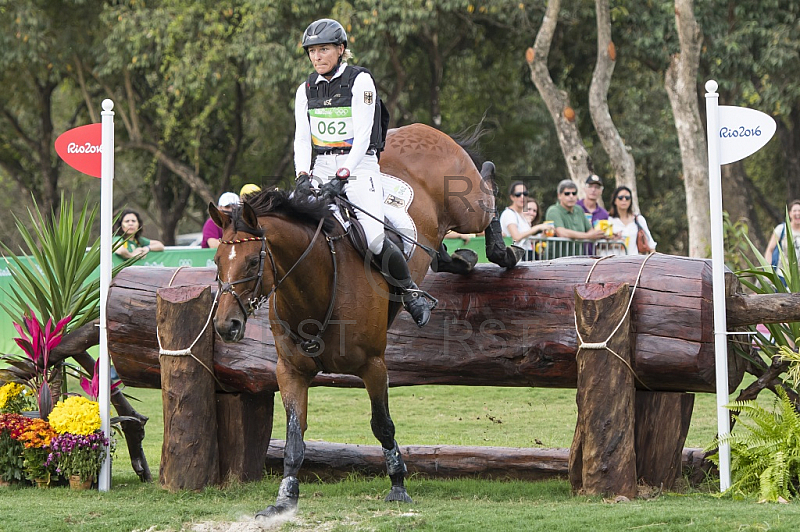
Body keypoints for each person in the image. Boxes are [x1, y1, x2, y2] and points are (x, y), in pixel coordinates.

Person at [292, 18, 432, 327]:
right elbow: (303, 138)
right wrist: (303, 175)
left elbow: (365, 134)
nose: (317, 57)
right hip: (320, 168)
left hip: (359, 166)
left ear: (340, 50)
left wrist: (342, 176)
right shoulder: (305, 89)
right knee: (290, 224)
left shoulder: (360, 81)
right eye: (312, 51)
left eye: (324, 50)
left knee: (372, 239)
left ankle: (410, 293)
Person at [544, 180, 606, 257]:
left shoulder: (579, 210)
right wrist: (587, 236)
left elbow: (591, 231)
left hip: (576, 260)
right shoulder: (553, 210)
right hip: (555, 260)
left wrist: (601, 234)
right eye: (567, 194)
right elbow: (562, 232)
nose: (571, 196)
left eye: (574, 193)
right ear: (559, 196)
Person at [499, 181, 550, 260]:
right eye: (518, 194)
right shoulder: (509, 213)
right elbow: (516, 237)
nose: (522, 197)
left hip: (526, 255)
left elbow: (526, 239)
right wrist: (537, 228)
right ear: (512, 197)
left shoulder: (521, 215)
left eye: (525, 194)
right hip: (515, 257)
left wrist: (541, 236)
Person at [608, 186, 657, 255]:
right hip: (613, 261)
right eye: (621, 198)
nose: (624, 200)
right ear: (615, 200)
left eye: (627, 198)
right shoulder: (608, 220)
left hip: (634, 261)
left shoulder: (638, 219)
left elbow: (650, 243)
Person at [764, 200, 800, 272]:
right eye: (795, 211)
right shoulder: (781, 229)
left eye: (799, 210)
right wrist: (768, 270)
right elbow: (769, 250)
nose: (797, 213)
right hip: (782, 274)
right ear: (789, 213)